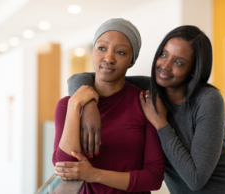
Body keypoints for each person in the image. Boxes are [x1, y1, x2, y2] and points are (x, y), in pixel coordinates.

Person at [67, 25, 225, 194]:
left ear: (194, 70)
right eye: (164, 54)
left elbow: (195, 180)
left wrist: (161, 122)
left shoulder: (207, 99)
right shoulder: (148, 89)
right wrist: (88, 105)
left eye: (178, 62)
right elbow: (80, 78)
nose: (165, 66)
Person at [52, 18, 165, 194]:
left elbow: (154, 178)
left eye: (120, 52)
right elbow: (65, 167)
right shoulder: (67, 105)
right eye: (102, 48)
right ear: (93, 52)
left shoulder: (145, 103)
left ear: (132, 61)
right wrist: (76, 105)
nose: (109, 58)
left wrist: (95, 175)